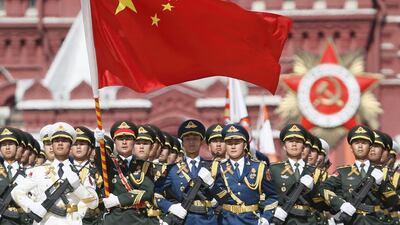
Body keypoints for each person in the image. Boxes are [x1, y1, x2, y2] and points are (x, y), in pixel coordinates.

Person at [11, 122, 98, 225]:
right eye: (56, 141)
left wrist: (78, 187)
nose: (60, 143)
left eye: (65, 141)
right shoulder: (39, 171)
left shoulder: (83, 172)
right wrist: (33, 206)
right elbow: (16, 192)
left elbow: (94, 203)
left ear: (70, 146)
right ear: (52, 145)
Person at [320, 125, 399, 225]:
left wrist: (381, 184)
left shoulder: (381, 172)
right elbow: (323, 188)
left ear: (370, 147)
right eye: (356, 143)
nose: (360, 146)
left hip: (376, 221)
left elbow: (393, 202)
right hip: (352, 221)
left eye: (364, 143)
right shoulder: (343, 172)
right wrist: (341, 204)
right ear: (351, 148)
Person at [211, 123, 278, 225]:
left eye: (237, 143)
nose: (233, 146)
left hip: (251, 220)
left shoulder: (259, 167)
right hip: (226, 220)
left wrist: (266, 217)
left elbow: (272, 196)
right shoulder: (218, 167)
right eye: (229, 143)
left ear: (245, 144)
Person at [155, 119, 217, 225]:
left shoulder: (213, 166)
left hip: (208, 219)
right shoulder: (172, 169)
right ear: (182, 142)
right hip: (184, 219)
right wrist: (170, 206)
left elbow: (227, 195)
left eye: (195, 139)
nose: (191, 142)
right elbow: (155, 193)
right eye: (187, 139)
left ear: (201, 141)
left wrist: (213, 186)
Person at [269, 123, 320, 224]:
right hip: (284, 220)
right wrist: (273, 210)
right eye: (290, 141)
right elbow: (264, 196)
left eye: (298, 141)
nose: (294, 144)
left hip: (308, 220)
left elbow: (323, 201)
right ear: (284, 146)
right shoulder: (274, 169)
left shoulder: (315, 171)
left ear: (304, 146)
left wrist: (313, 189)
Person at [0, 127, 31, 225]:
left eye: (11, 144)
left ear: (17, 148)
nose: (7, 147)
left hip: (22, 220)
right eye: (4, 145)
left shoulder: (29, 172)